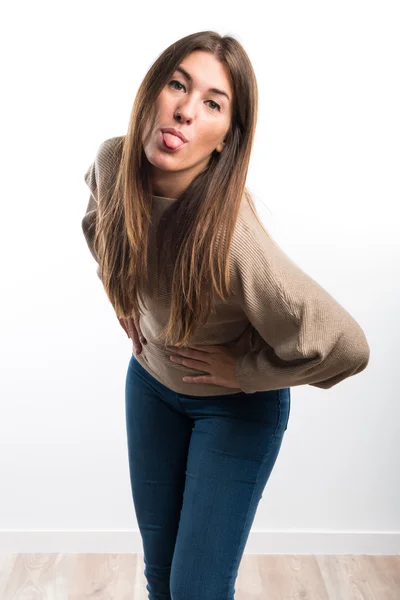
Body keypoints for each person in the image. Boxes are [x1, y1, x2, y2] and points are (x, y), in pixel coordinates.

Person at [82, 31, 370, 600]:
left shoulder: (234, 238)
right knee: (161, 580)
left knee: (197, 590)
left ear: (224, 140)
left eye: (212, 104)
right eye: (178, 85)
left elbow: (347, 345)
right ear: (152, 93)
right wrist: (122, 298)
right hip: (151, 387)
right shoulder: (114, 161)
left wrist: (243, 373)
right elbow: (99, 223)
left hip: (235, 413)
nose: (186, 111)